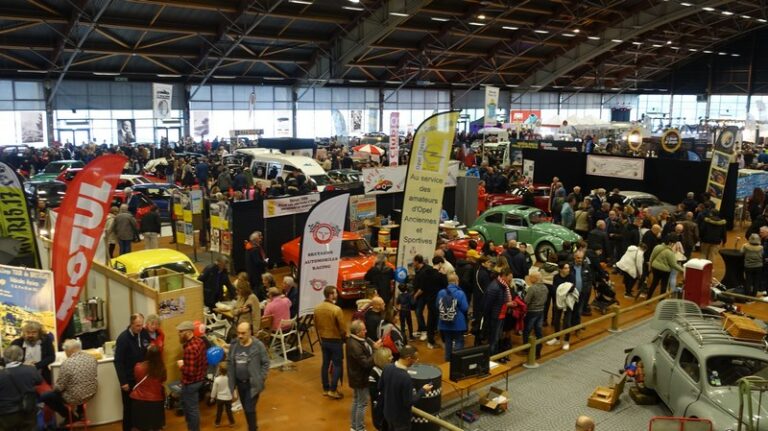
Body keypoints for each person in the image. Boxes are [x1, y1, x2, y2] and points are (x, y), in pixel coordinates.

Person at [40, 339, 97, 423]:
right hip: (91, 392)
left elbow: (59, 387)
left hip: (75, 397)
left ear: (69, 350)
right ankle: (80, 412)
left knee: (46, 396)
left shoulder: (67, 364)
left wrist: (53, 389)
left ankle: (70, 417)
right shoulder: (91, 358)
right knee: (78, 384)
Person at [378, 345, 432, 431]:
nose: (417, 360)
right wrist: (423, 390)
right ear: (408, 358)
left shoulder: (387, 367)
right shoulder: (405, 378)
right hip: (401, 420)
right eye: (415, 359)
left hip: (388, 414)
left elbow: (380, 387)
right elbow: (408, 402)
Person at [228, 322, 270, 431]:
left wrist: (261, 377)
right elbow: (230, 365)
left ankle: (252, 428)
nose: (240, 336)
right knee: (246, 408)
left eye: (243, 333)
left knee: (249, 408)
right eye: (238, 333)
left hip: (252, 384)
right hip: (240, 384)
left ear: (250, 332)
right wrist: (231, 386)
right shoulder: (234, 345)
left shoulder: (258, 346)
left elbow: (266, 363)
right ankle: (252, 427)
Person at [114, 313, 151, 431]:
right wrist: (123, 381)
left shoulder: (144, 333)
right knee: (129, 408)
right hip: (129, 380)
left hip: (143, 378)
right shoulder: (123, 338)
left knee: (142, 407)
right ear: (131, 324)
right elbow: (118, 361)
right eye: (137, 325)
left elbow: (148, 350)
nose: (140, 328)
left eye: (141, 325)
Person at [346, 320, 381, 431]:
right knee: (362, 404)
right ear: (357, 332)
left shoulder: (355, 340)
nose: (366, 331)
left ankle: (354, 426)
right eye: (364, 330)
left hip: (356, 377)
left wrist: (373, 345)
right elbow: (366, 363)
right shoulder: (355, 346)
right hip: (361, 378)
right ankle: (360, 428)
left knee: (357, 401)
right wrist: (375, 351)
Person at [314, 285, 347, 400]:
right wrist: (344, 337)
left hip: (324, 340)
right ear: (331, 295)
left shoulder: (317, 308)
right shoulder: (336, 309)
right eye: (335, 293)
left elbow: (315, 325)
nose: (337, 294)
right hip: (335, 341)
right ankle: (333, 390)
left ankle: (325, 389)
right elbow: (342, 328)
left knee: (325, 364)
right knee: (337, 365)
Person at [0, 345, 42, 430]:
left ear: (4, 358)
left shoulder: (1, 374)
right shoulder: (31, 370)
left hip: (7, 414)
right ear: (22, 356)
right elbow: (39, 381)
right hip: (28, 410)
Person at [176, 321, 207, 431]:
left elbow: (190, 372)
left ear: (189, 332)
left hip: (191, 383)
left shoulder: (190, 349)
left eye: (181, 332)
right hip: (199, 379)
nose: (179, 334)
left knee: (192, 410)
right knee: (191, 409)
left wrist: (181, 366)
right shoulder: (200, 341)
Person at [412, 254, 447, 349]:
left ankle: (430, 341)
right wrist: (444, 275)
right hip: (438, 300)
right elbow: (446, 286)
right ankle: (445, 340)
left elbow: (423, 287)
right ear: (440, 264)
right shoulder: (440, 275)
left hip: (429, 300)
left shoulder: (426, 273)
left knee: (430, 320)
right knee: (441, 320)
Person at [129, 345, 167, 431]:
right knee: (156, 427)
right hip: (156, 401)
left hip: (139, 401)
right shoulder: (162, 368)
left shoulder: (138, 366)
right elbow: (163, 379)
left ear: (147, 354)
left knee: (140, 427)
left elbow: (136, 378)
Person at [436, 273, 469, 361]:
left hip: (444, 322)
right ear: (456, 281)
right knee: (459, 341)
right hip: (458, 322)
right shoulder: (460, 293)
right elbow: (465, 307)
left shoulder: (441, 292)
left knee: (448, 342)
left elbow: (437, 306)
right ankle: (457, 361)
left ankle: (448, 359)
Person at [483, 264, 514, 355]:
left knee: (497, 337)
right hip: (495, 317)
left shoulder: (503, 285)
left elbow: (499, 301)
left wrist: (507, 304)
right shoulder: (495, 287)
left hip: (500, 315)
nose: (510, 281)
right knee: (494, 338)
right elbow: (488, 305)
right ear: (503, 276)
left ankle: (495, 354)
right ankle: (492, 356)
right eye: (509, 279)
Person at [522, 271, 548, 358]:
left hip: (531, 312)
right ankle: (538, 351)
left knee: (527, 330)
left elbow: (526, 301)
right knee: (538, 331)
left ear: (535, 278)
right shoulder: (545, 287)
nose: (529, 279)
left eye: (530, 277)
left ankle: (527, 349)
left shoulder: (532, 288)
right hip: (541, 311)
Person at [368, 348, 393, 430]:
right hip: (380, 407)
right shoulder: (374, 373)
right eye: (389, 356)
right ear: (383, 359)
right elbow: (373, 393)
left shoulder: (389, 369)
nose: (392, 357)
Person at [211, 362, 235, 428]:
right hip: (228, 398)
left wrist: (212, 397)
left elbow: (214, 389)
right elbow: (233, 387)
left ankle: (217, 423)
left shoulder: (217, 379)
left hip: (220, 398)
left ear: (219, 370)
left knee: (219, 411)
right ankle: (232, 423)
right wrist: (234, 395)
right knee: (229, 411)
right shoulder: (230, 379)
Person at [245, 231, 268, 298]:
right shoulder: (254, 249)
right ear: (255, 239)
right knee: (257, 291)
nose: (261, 238)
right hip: (257, 274)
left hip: (251, 273)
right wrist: (265, 263)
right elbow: (257, 262)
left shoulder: (249, 247)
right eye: (259, 237)